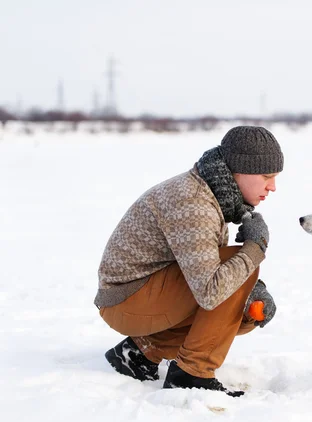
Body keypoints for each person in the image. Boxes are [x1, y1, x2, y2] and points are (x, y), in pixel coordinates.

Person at [95, 126, 283, 397]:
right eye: (267, 176)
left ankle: (140, 352)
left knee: (245, 313)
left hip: (142, 295)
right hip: (124, 299)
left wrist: (255, 289)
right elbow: (210, 292)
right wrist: (255, 248)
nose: (273, 187)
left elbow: (207, 263)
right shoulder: (194, 202)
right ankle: (192, 374)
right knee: (232, 275)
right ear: (239, 170)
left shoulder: (213, 195)